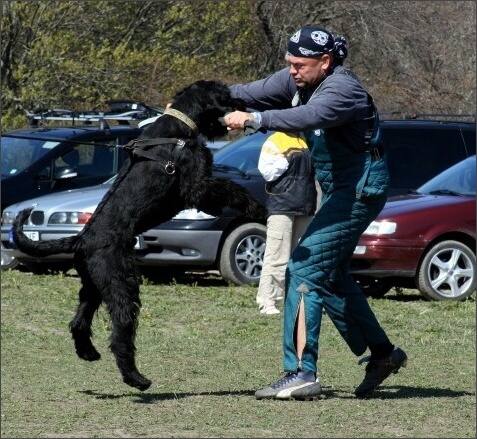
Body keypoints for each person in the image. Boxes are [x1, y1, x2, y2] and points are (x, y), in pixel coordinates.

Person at [224, 24, 408, 399]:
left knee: (304, 268)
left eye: (300, 64)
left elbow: (308, 117)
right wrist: (199, 99)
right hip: (340, 187)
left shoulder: (343, 89)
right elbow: (248, 93)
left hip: (359, 189)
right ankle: (385, 355)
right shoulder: (299, 78)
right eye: (289, 63)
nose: (292, 71)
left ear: (325, 61)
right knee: (332, 274)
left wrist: (254, 120)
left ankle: (301, 372)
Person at [256, 131, 320, 315]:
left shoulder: (307, 140)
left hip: (306, 204)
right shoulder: (275, 140)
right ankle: (268, 301)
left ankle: (301, 298)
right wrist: (285, 161)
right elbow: (267, 172)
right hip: (281, 205)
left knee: (302, 257)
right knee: (277, 255)